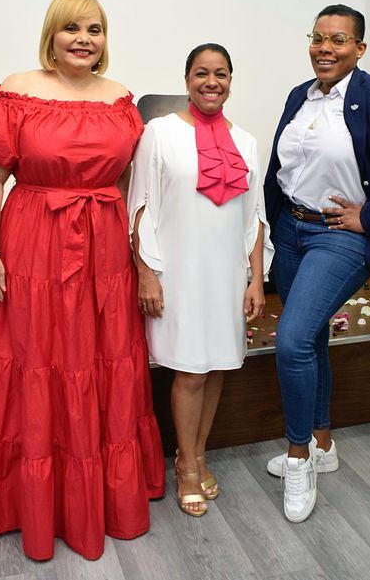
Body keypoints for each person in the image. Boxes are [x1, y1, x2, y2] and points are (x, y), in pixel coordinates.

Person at [0, 0, 165, 561]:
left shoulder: (120, 97)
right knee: (36, 357)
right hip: (32, 240)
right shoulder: (17, 90)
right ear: (51, 35)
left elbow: (127, 183)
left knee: (103, 358)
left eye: (95, 29)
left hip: (102, 245)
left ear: (106, 38)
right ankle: (29, 504)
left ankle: (101, 498)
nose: (84, 39)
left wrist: (132, 249)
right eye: (71, 28)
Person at [264, 4, 370, 522]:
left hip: (339, 236)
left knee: (291, 340)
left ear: (360, 49)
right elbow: (282, 166)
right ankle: (324, 446)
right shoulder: (300, 95)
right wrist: (272, 223)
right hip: (292, 229)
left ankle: (298, 460)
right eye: (318, 38)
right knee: (311, 338)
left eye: (339, 40)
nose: (325, 48)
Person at [128, 43, 273, 517]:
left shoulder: (247, 141)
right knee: (190, 370)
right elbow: (140, 207)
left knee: (215, 370)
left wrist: (255, 280)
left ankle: (196, 454)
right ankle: (187, 467)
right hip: (180, 274)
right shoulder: (159, 132)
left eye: (221, 74)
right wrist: (147, 274)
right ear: (186, 78)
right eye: (201, 73)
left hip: (226, 275)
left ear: (232, 80)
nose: (212, 82)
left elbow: (254, 217)